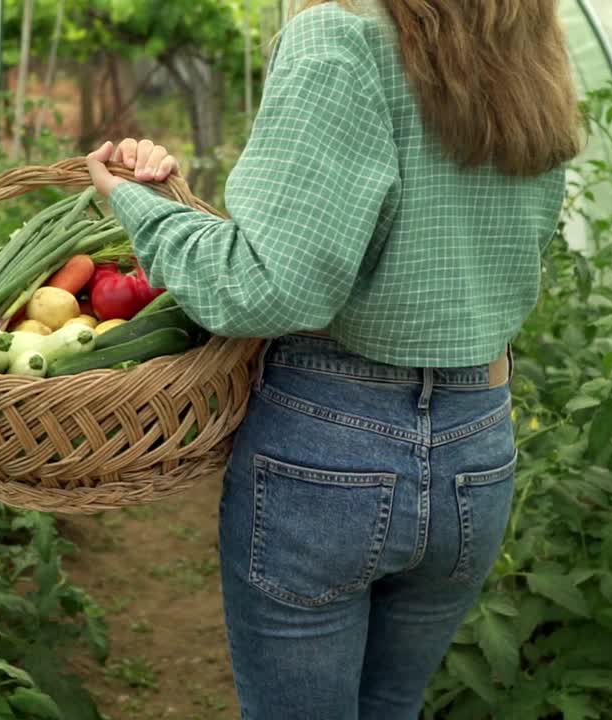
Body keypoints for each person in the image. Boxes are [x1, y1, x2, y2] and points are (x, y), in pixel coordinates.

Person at [85, 0, 581, 717]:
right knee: (391, 706)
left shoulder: (341, 42)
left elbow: (265, 289)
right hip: (477, 446)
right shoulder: (532, 62)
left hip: (331, 444)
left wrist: (141, 208)